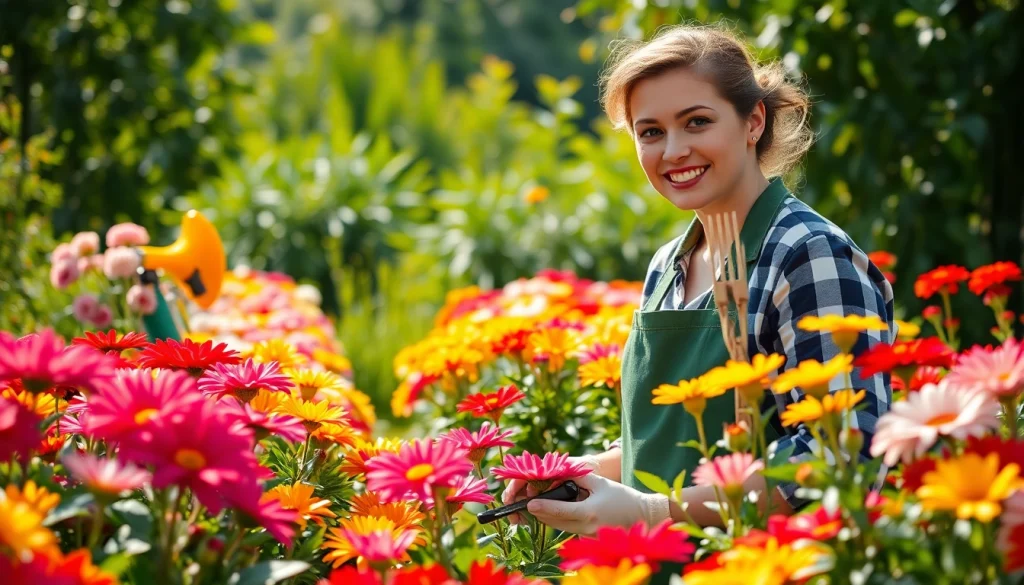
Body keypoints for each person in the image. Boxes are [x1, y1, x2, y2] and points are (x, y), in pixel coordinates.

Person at [501, 23, 895, 577]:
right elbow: (683, 440)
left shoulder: (809, 256)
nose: (674, 150)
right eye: (650, 131)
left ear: (753, 121)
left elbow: (842, 460)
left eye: (697, 122)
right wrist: (588, 472)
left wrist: (655, 511)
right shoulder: (670, 264)